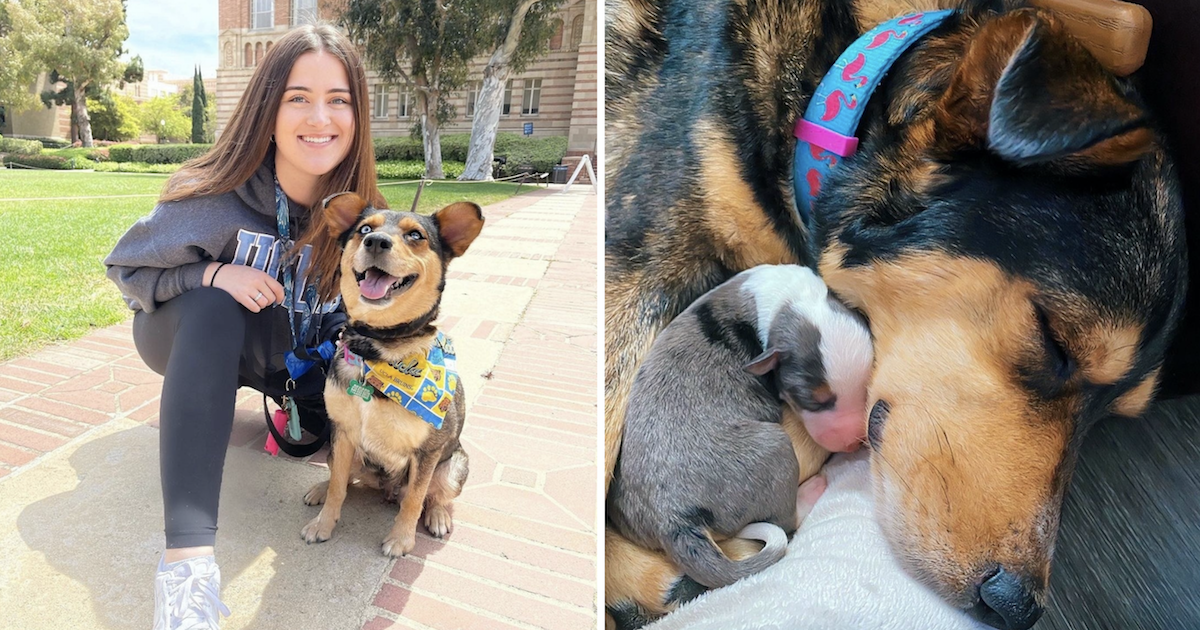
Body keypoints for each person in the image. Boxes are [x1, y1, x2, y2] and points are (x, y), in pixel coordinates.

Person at [104, 24, 385, 630]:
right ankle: (186, 571)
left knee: (326, 434)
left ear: (357, 115)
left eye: (339, 99)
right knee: (217, 307)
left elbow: (363, 309)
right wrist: (209, 276)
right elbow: (124, 268)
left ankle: (283, 410)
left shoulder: (359, 215)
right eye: (298, 97)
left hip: (286, 352)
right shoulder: (217, 194)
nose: (321, 117)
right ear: (268, 108)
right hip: (186, 332)